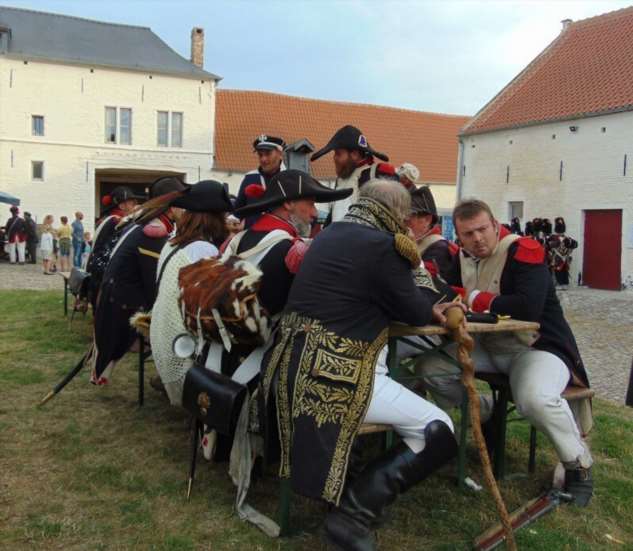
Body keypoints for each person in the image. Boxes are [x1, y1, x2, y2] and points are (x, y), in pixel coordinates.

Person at [260, 180, 461, 550]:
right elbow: (415, 311)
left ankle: (348, 493)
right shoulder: (385, 246)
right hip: (334, 372)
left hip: (289, 364)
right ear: (398, 216)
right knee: (440, 428)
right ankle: (353, 516)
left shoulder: (330, 235)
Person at [418, 198, 594, 506]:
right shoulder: (462, 258)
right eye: (468, 234)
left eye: (482, 230)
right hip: (490, 346)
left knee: (535, 398)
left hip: (536, 347)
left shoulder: (523, 251)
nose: (478, 239)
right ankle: (485, 410)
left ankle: (578, 465)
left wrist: (473, 297)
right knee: (430, 369)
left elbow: (528, 307)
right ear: (459, 236)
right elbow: (445, 294)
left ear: (495, 225)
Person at [90, 177, 190, 385]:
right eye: (181, 204)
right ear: (171, 207)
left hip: (118, 293)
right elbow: (153, 280)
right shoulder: (154, 230)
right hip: (123, 299)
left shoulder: (148, 222)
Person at [150, 180, 233, 404]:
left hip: (161, 337)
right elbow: (213, 310)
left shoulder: (173, 242)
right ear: (213, 218)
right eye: (223, 216)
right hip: (180, 354)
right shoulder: (204, 250)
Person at [310, 125, 398, 223]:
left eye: (338, 154)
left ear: (355, 154)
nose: (334, 158)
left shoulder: (379, 174)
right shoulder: (341, 178)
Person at [86, 186, 145, 310]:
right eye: (132, 202)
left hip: (97, 273)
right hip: (103, 276)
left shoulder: (107, 219)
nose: (135, 205)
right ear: (122, 205)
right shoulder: (117, 221)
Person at [233, 135, 286, 228]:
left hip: (280, 237)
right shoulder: (250, 178)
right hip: (252, 237)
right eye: (260, 155)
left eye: (268, 154)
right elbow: (238, 211)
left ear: (280, 154)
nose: (263, 159)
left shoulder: (290, 179)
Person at [407, 185, 456, 278]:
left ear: (427, 219)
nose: (403, 222)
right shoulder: (419, 242)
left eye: (408, 217)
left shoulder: (440, 249)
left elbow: (425, 282)